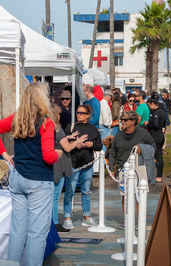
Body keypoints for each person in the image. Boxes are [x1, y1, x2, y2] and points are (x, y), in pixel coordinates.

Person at [0, 82, 62, 265]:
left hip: (18, 179)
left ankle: (12, 263)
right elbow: (49, 156)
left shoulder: (17, 119)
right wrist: (60, 153)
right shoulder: (46, 122)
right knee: (37, 232)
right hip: (39, 181)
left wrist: (4, 153)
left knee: (18, 228)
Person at [108, 111, 155, 224]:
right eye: (122, 120)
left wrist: (142, 149)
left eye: (125, 120)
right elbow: (113, 152)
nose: (122, 122)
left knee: (139, 196)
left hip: (139, 169)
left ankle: (140, 221)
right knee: (125, 197)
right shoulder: (119, 135)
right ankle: (127, 220)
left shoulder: (143, 134)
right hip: (122, 169)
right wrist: (111, 168)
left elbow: (153, 147)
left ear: (133, 121)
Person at [63, 105, 102, 230]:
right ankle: (67, 217)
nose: (78, 114)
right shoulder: (71, 126)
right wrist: (74, 144)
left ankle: (86, 216)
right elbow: (63, 142)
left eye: (81, 112)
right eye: (77, 112)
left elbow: (99, 145)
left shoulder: (93, 129)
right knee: (70, 191)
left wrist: (91, 144)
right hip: (73, 163)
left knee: (86, 191)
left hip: (87, 164)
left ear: (88, 115)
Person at [51, 104, 88, 232]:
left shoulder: (48, 127)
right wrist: (78, 141)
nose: (60, 116)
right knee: (55, 195)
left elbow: (57, 142)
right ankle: (54, 222)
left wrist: (67, 138)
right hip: (59, 164)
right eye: (59, 113)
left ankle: (52, 221)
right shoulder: (57, 128)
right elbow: (66, 148)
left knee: (53, 194)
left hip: (54, 163)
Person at [147, 97, 167, 182]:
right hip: (160, 135)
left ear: (153, 104)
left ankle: (158, 175)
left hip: (156, 136)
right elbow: (164, 124)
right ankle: (158, 175)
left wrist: (148, 124)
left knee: (157, 155)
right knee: (158, 155)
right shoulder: (163, 112)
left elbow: (155, 125)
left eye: (149, 105)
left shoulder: (156, 112)